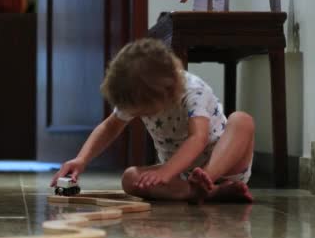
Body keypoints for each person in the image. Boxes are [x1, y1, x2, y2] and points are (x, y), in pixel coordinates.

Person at [50, 38, 254, 203]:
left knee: (242, 120)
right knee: (130, 178)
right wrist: (82, 159)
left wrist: (168, 171)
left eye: (144, 112)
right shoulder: (140, 93)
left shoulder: (194, 90)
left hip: (225, 166)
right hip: (180, 176)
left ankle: (207, 181)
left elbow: (198, 138)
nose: (142, 116)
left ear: (166, 93)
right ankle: (209, 193)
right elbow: (111, 126)